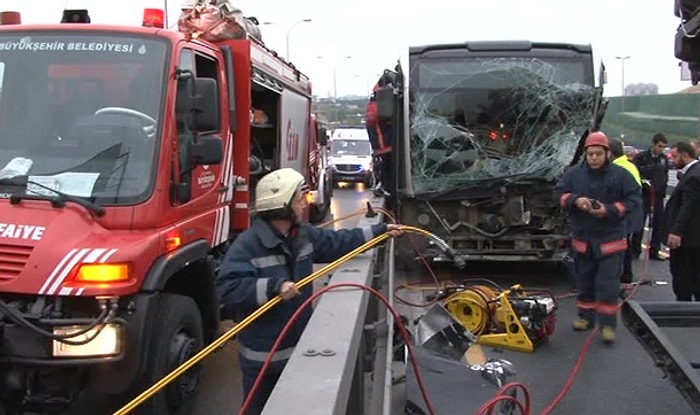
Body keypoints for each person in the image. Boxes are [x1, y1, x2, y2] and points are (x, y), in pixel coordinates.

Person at [215, 168, 403, 414]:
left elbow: (339, 242)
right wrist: (274, 287)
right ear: (282, 205)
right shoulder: (248, 246)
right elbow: (227, 289)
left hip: (297, 352)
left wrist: (379, 232)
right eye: (297, 198)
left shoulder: (301, 236)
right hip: (264, 359)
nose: (303, 203)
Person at [555, 131, 641, 344]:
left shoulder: (621, 175)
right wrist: (575, 201)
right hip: (583, 242)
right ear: (586, 154)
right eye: (590, 154)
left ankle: (608, 326)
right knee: (584, 283)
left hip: (610, 242)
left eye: (598, 154)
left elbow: (634, 200)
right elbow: (558, 194)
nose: (594, 158)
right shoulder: (573, 174)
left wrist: (609, 210)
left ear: (607, 154)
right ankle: (586, 318)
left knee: (608, 285)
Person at [661, 142, 700, 301]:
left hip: (688, 238)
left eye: (675, 157)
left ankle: (684, 309)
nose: (673, 161)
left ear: (685, 155)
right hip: (694, 237)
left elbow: (687, 207)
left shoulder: (692, 177)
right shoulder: (693, 172)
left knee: (682, 275)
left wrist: (676, 231)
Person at [632, 133, 671, 260]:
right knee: (640, 223)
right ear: (653, 144)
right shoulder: (641, 157)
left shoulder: (663, 159)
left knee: (658, 223)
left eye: (664, 147)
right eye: (659, 146)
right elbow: (635, 173)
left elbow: (665, 175)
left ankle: (655, 250)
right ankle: (635, 250)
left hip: (658, 195)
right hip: (644, 194)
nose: (661, 149)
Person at [609, 138, 643, 284]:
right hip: (632, 211)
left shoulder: (618, 169)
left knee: (620, 245)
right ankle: (626, 275)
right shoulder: (628, 165)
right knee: (625, 244)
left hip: (626, 212)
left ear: (610, 152)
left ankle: (623, 276)